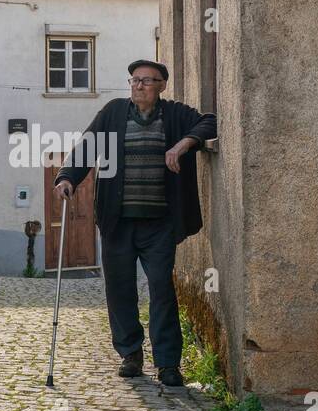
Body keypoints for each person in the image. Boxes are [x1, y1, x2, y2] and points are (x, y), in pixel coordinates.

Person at [53, 59, 217, 386]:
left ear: (161, 86)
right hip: (117, 223)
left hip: (159, 224)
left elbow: (210, 122)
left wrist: (184, 144)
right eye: (134, 80)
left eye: (146, 81)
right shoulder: (113, 113)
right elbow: (87, 147)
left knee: (161, 290)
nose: (138, 85)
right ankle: (130, 353)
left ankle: (168, 363)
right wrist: (67, 177)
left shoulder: (174, 114)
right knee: (119, 290)